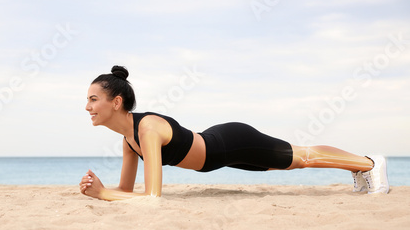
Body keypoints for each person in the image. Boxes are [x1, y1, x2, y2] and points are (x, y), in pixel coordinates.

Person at [80, 66, 389, 201]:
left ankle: (370, 164)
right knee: (290, 162)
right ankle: (358, 168)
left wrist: (105, 195)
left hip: (232, 143)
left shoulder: (147, 128)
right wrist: (102, 189)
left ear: (116, 102)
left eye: (93, 99)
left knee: (301, 157)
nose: (88, 106)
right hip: (222, 153)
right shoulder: (128, 140)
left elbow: (152, 198)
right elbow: (127, 190)